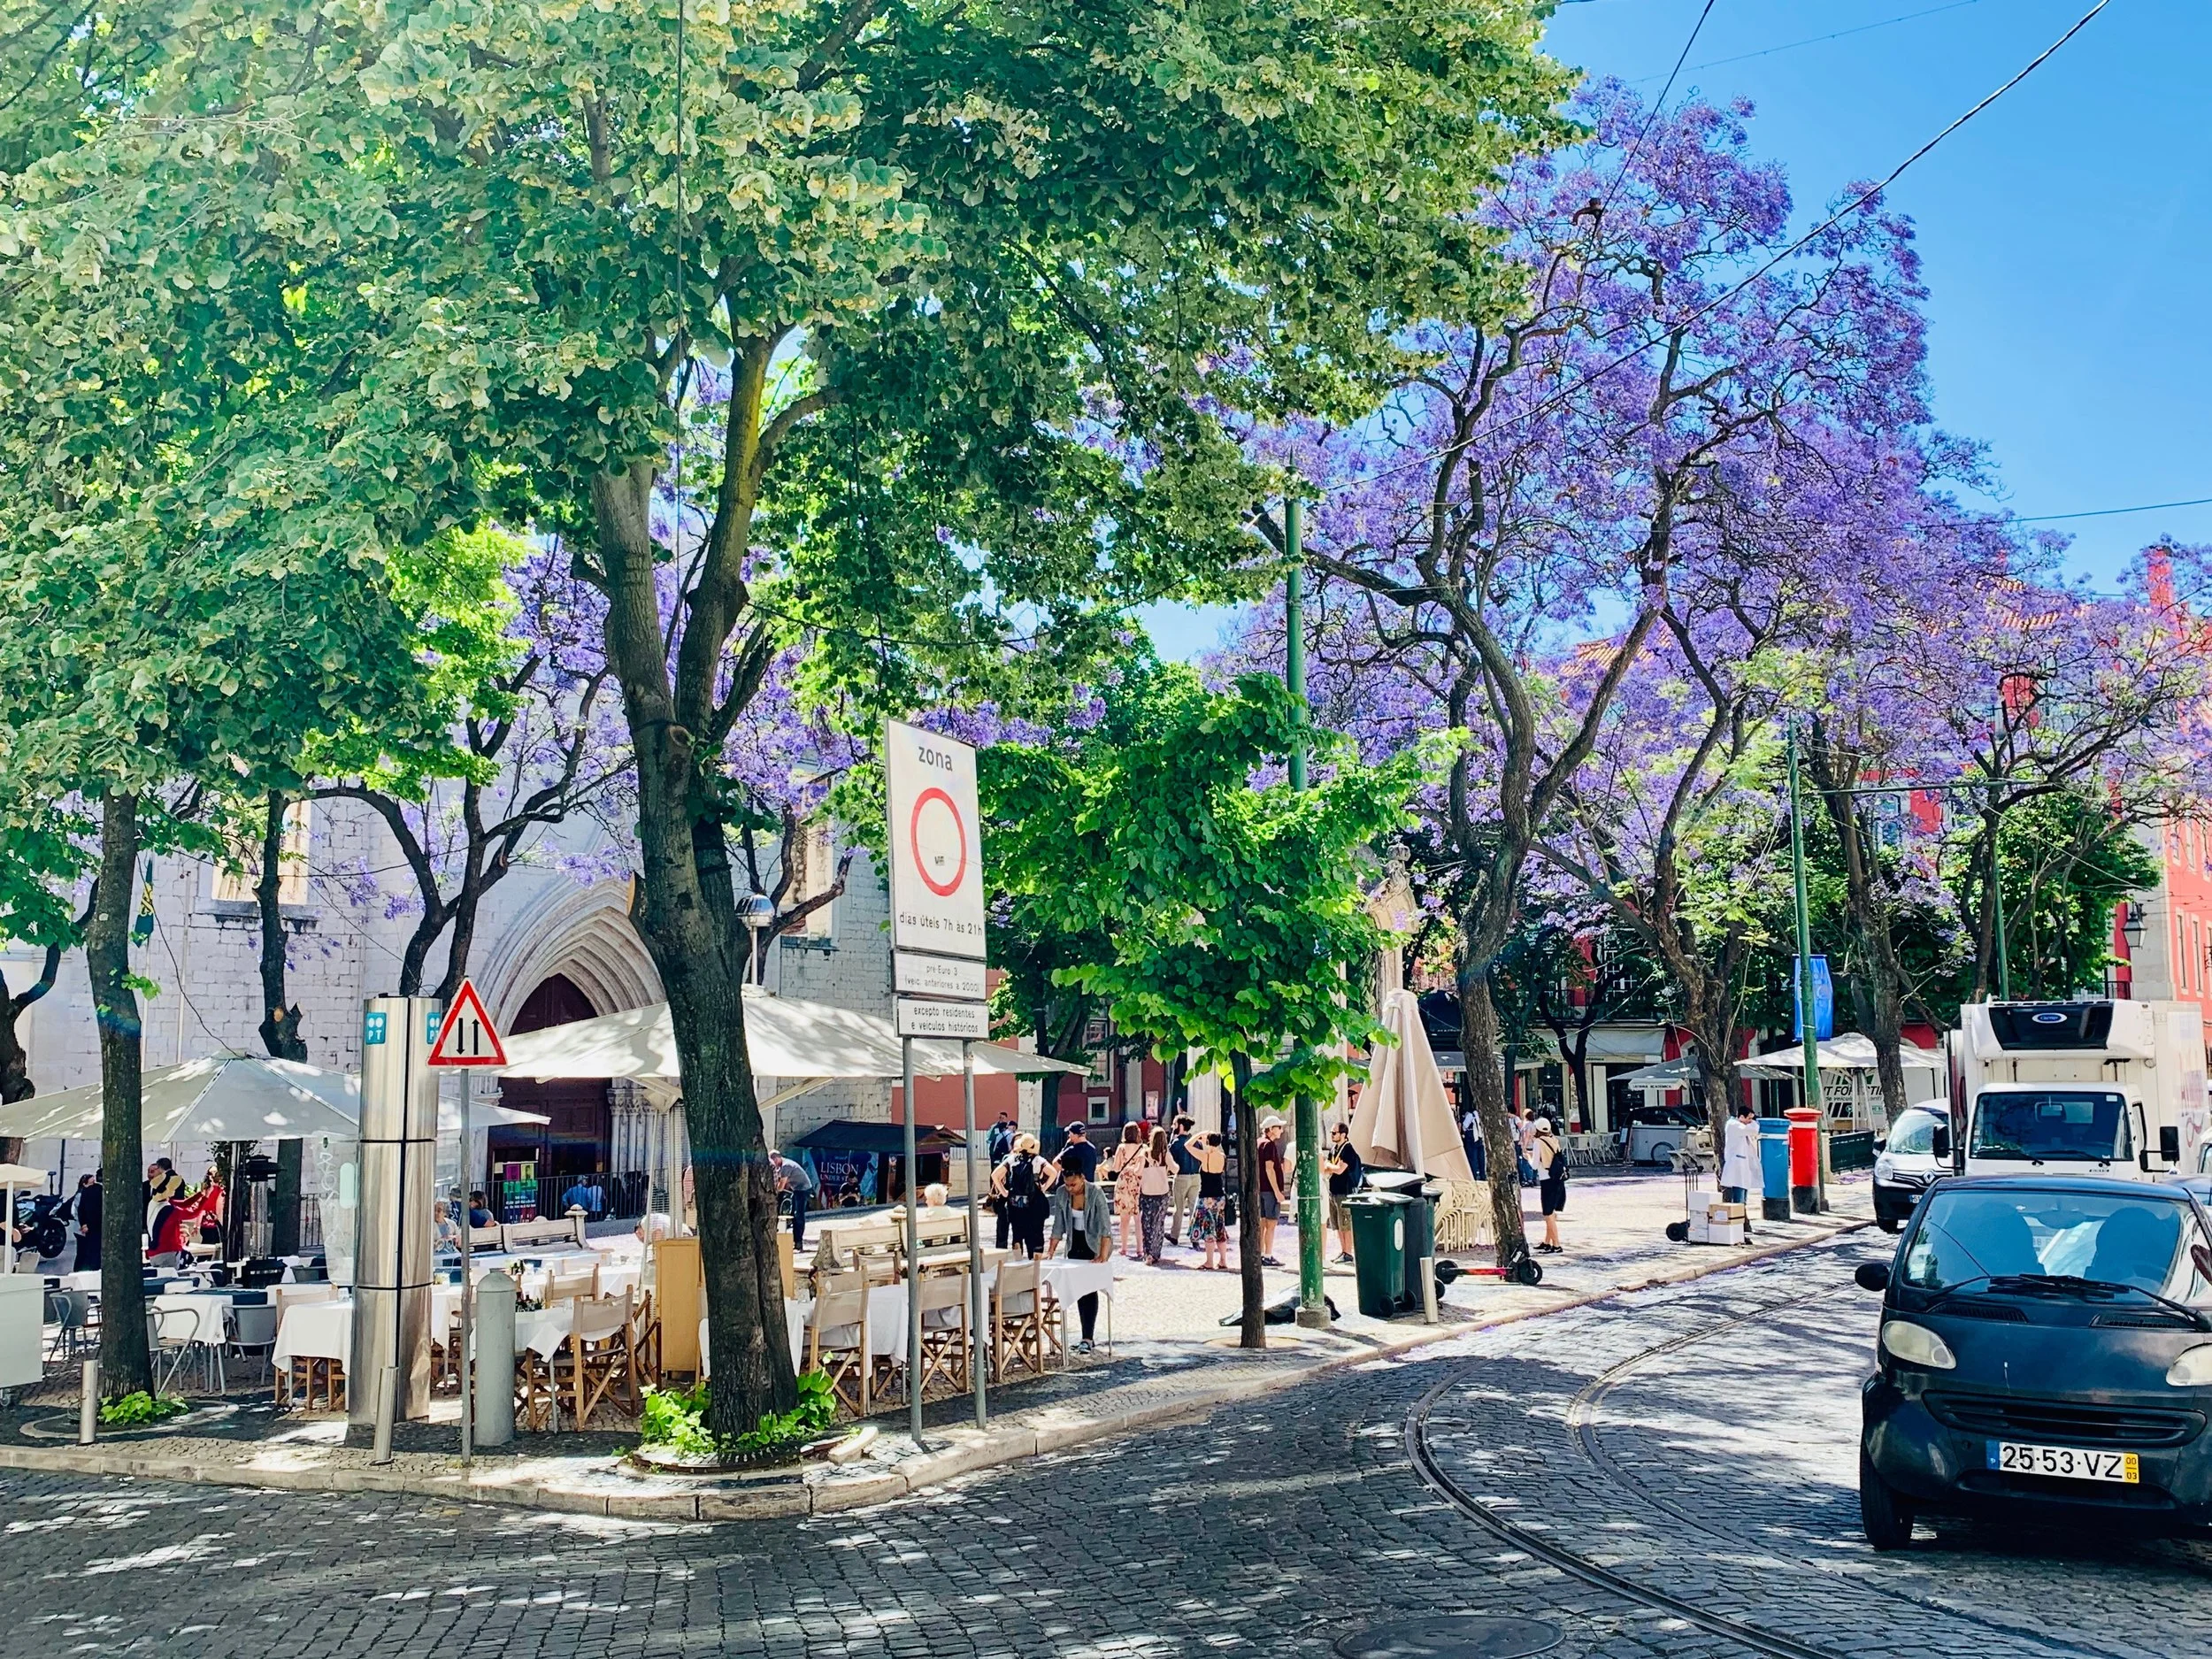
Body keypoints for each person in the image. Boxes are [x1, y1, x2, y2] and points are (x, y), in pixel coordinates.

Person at [1047, 1168, 1112, 1354]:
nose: (1070, 1189)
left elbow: (1105, 1226)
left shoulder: (1095, 1193)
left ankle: (1088, 1337)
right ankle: (1085, 1336)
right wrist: (1051, 1250)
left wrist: (1102, 1255)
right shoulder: (1062, 1193)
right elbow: (1058, 1224)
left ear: (1082, 1178)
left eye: (1073, 1185)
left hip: (1094, 1243)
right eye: (1067, 1185)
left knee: (1089, 1289)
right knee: (1078, 1290)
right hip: (1075, 1243)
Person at [995, 1133, 1048, 1256]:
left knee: (1017, 1233)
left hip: (1015, 1202)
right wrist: (1044, 1188)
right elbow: (1052, 1172)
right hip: (1033, 1201)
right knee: (1033, 1232)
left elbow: (995, 1175)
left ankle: (1018, 1260)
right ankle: (1033, 1260)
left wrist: (1004, 1192)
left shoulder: (1012, 1159)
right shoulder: (1038, 1160)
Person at [1190, 1133, 1230, 1271]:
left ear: (1208, 1141)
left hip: (1207, 1197)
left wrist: (1199, 1135)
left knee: (1209, 1230)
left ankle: (1209, 1261)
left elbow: (1187, 1145)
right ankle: (1223, 1259)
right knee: (1220, 1228)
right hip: (1220, 1197)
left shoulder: (1205, 1156)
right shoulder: (1222, 1157)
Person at [1325, 1124, 1363, 1264]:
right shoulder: (1334, 1149)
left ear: (1343, 1134)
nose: (1332, 1135)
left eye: (1334, 1133)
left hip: (1345, 1191)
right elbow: (1326, 1168)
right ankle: (1343, 1251)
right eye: (1331, 1132)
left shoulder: (1348, 1150)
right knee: (1337, 1224)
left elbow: (1340, 1170)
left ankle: (1348, 1252)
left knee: (1345, 1223)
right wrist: (1332, 1167)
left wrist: (1331, 1167)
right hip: (1333, 1191)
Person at [1720, 1101, 1763, 1227]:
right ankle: (1738, 1225)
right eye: (1749, 1118)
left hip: (1743, 1166)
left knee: (1743, 1197)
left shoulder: (1740, 1126)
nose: (1751, 1121)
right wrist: (1754, 1123)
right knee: (1739, 1198)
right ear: (1741, 1117)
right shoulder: (1734, 1125)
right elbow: (1753, 1129)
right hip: (1737, 1165)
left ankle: (1740, 1223)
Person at [1135, 1127, 1174, 1265]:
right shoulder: (1165, 1154)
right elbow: (1176, 1168)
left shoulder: (1144, 1153)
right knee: (1159, 1222)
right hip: (1162, 1192)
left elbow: (1138, 1172)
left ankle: (1148, 1253)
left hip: (1147, 1192)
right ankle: (1155, 1252)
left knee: (1146, 1222)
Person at [1108, 1122, 1145, 1259]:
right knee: (1138, 1218)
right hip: (1137, 1182)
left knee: (1124, 1218)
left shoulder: (1121, 1148)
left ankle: (1124, 1248)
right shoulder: (1143, 1148)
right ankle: (1140, 1249)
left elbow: (1116, 1168)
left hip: (1124, 1182)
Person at [1255, 1116, 1288, 1266]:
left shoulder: (1259, 1143)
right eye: (1279, 1127)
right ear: (1272, 1129)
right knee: (1271, 1224)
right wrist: (1277, 1192)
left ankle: (1261, 1254)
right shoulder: (1269, 1145)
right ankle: (1268, 1255)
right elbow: (1270, 1169)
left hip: (1260, 1189)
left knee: (1262, 1224)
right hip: (1269, 1190)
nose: (1281, 1130)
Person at [1532, 1116, 1567, 1254]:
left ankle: (1556, 1244)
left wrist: (1528, 1157)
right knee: (1551, 1212)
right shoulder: (1554, 1140)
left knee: (1548, 1213)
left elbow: (1535, 1165)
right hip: (1558, 1178)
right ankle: (1547, 1242)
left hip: (1546, 1179)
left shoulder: (1538, 1143)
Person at [770, 1148, 816, 1248]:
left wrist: (772, 1193)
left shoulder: (786, 1166)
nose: (774, 1165)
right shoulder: (782, 1165)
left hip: (803, 1189)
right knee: (793, 1214)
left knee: (798, 1214)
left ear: (777, 1158)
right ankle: (795, 1241)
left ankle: (799, 1241)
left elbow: (781, 1186)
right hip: (797, 1189)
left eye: (774, 1162)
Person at [1166, 1117, 1202, 1246]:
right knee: (1193, 1208)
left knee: (1179, 1208)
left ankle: (1174, 1235)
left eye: (1175, 1124)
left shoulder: (1176, 1142)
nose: (1173, 1126)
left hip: (1182, 1177)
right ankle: (1195, 1237)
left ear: (1180, 1126)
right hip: (1196, 1176)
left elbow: (1168, 1157)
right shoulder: (1196, 1142)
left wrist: (1171, 1137)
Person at [65, 1172, 101, 1273]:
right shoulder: (81, 1195)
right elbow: (80, 1211)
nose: (94, 1185)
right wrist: (84, 1224)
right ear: (84, 1184)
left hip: (82, 1227)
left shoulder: (85, 1193)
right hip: (80, 1228)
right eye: (92, 1183)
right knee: (82, 1252)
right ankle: (79, 1270)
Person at [1051, 1120, 1099, 1186]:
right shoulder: (1092, 1149)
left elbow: (1055, 1165)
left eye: (1070, 1134)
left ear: (1075, 1135)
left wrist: (1065, 1147)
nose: (1069, 1136)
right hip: (1087, 1189)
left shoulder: (1071, 1151)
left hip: (1070, 1190)